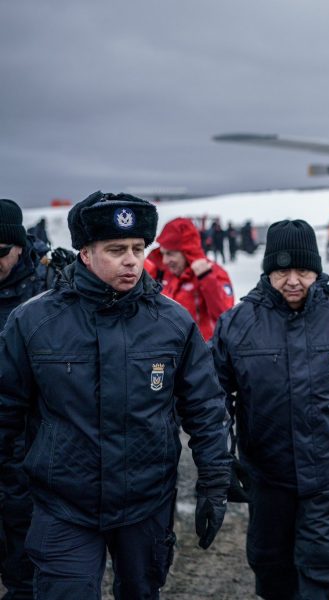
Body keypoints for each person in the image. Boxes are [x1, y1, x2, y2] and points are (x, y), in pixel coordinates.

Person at [0, 191, 232, 599]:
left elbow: (206, 409)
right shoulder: (34, 322)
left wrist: (214, 482)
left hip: (146, 503)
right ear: (85, 254)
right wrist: (11, 495)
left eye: (138, 249)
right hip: (62, 505)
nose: (131, 259)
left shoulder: (173, 322)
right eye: (116, 249)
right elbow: (5, 411)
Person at [211, 220, 329, 600]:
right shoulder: (237, 325)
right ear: (268, 271)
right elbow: (214, 401)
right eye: (281, 271)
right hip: (268, 477)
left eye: (303, 271)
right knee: (274, 575)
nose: (293, 280)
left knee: (323, 576)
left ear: (317, 270)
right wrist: (219, 460)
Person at [0, 199, 57, 598]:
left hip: (33, 445)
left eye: (0, 252)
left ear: (20, 246)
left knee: (31, 564)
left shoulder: (51, 286)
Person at [146, 217, 234, 341]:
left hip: (202, 354)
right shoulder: (160, 272)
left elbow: (226, 317)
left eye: (170, 254)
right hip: (167, 351)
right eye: (163, 253)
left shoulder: (213, 273)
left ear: (187, 252)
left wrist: (207, 279)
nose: (165, 260)